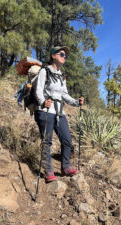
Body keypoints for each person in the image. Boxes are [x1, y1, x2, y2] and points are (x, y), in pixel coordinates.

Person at [34, 46, 84, 182]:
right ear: (53, 56)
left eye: (65, 55)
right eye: (61, 54)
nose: (64, 56)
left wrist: (76, 102)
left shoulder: (62, 76)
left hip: (59, 112)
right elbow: (38, 89)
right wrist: (43, 101)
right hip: (45, 110)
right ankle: (48, 171)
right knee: (46, 142)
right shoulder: (45, 71)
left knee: (67, 140)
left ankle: (66, 167)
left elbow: (64, 95)